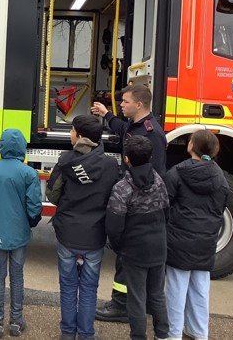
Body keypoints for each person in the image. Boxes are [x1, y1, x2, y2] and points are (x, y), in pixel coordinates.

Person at [90, 84, 167, 322]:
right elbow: (124, 129)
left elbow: (150, 175)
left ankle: (121, 306)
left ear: (139, 104)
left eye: (124, 102)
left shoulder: (151, 133)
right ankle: (134, 304)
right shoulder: (137, 126)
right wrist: (107, 115)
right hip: (134, 202)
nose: (121, 105)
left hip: (138, 207)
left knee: (126, 256)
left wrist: (128, 199)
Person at [47, 115, 120, 340]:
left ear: (80, 136)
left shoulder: (65, 160)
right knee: (89, 289)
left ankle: (68, 334)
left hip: (68, 234)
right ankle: (87, 335)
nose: (70, 134)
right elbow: (114, 199)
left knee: (68, 288)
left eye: (71, 130)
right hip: (95, 235)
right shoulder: (110, 165)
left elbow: (52, 195)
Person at [163, 130, 228, 340]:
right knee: (200, 288)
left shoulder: (176, 173)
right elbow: (220, 208)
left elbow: (165, 205)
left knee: (175, 289)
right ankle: (199, 332)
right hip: (206, 240)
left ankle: (173, 334)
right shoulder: (220, 178)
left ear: (190, 146)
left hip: (178, 240)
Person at [0, 129, 42, 338]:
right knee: (17, 275)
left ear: (2, 146)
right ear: (22, 147)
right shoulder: (29, 173)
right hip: (19, 231)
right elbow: (34, 207)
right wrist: (30, 222)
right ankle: (16, 320)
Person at [106, 136, 170, 340]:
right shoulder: (159, 180)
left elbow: (114, 226)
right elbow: (166, 212)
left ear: (126, 159)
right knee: (158, 295)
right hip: (159, 248)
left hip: (134, 252)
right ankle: (162, 335)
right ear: (151, 157)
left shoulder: (122, 188)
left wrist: (119, 247)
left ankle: (138, 337)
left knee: (136, 298)